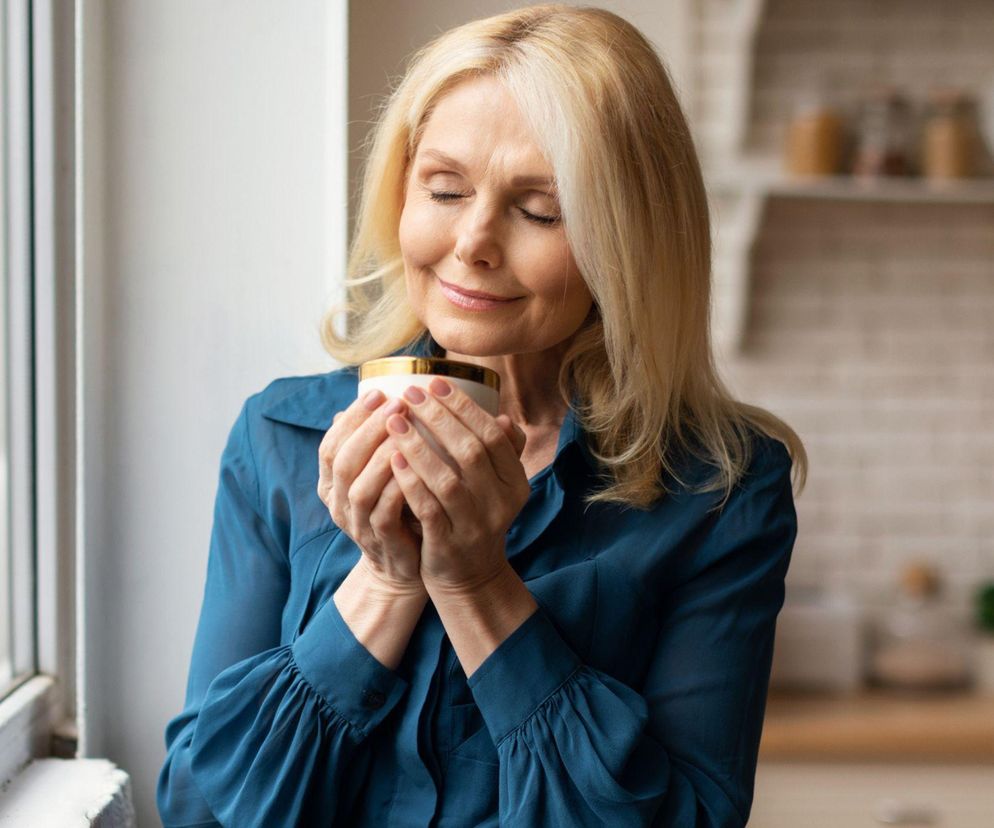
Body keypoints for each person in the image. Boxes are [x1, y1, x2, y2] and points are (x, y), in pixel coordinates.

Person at [157, 4, 808, 826]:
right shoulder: (280, 441)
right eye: (444, 189)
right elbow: (198, 811)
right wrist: (388, 579)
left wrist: (476, 584)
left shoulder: (720, 490)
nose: (472, 241)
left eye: (540, 211)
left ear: (630, 239)